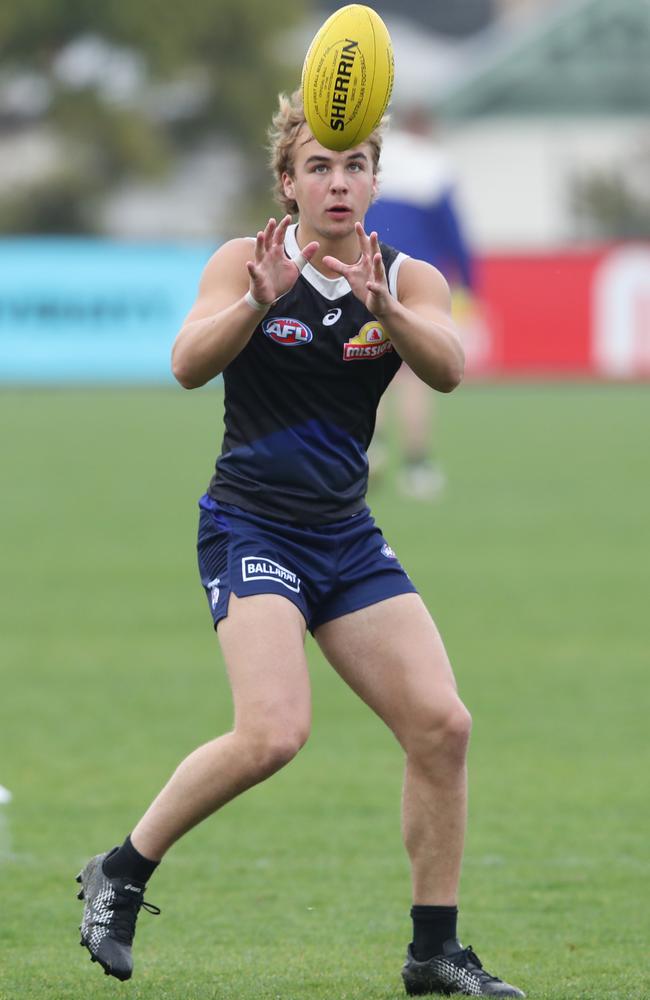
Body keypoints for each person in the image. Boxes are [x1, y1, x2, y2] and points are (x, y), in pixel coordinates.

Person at [75, 88, 524, 998]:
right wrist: (254, 304)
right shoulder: (247, 261)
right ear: (286, 182)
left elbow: (449, 369)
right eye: (318, 166)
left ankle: (433, 953)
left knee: (443, 726)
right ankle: (121, 870)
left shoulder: (406, 279)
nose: (338, 183)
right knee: (274, 732)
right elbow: (186, 364)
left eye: (355, 165)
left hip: (345, 536)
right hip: (250, 526)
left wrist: (386, 314)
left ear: (374, 180)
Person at [365, 105, 476, 500]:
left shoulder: (375, 157)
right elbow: (454, 234)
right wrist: (470, 283)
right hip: (416, 282)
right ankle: (416, 466)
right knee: (412, 379)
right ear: (427, 128)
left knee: (369, 370)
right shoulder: (434, 165)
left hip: (371, 271)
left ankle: (370, 449)